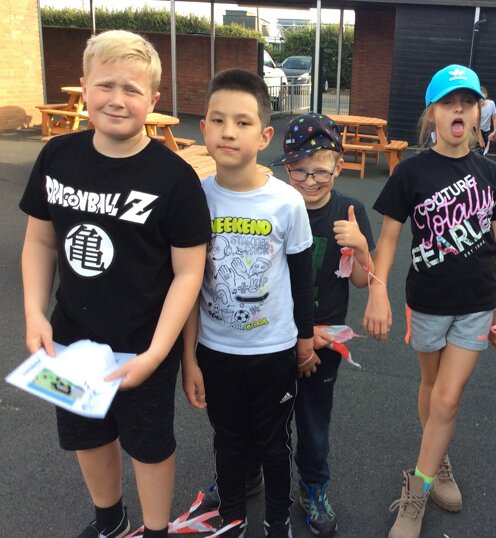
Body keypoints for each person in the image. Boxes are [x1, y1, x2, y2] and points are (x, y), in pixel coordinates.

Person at [19, 30, 210, 538]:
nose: (117, 99)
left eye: (132, 89)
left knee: (149, 445)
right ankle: (110, 520)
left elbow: (189, 273)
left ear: (154, 99)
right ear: (84, 87)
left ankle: (154, 530)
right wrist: (34, 313)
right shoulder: (57, 156)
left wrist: (158, 353)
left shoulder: (175, 179)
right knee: (86, 433)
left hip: (144, 342)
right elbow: (39, 242)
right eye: (105, 85)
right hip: (69, 335)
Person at [364, 64, 496, 538]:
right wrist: (377, 290)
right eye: (449, 102)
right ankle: (439, 458)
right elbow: (389, 239)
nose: (459, 110)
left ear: (478, 113)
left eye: (467, 102)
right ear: (432, 112)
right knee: (432, 386)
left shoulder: (492, 175)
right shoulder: (411, 172)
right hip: (427, 302)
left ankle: (417, 491)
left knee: (448, 398)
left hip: (477, 305)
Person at [181, 68, 315, 538]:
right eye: (218, 120)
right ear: (204, 128)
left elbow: (302, 278)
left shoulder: (286, 202)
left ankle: (277, 520)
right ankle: (233, 520)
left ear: (264, 136)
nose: (228, 132)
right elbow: (187, 286)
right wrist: (189, 358)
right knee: (229, 441)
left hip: (273, 351)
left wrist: (304, 340)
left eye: (242, 122)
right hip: (216, 351)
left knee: (274, 444)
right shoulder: (195, 199)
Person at [269, 112, 376, 536]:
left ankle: (314, 486)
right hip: (277, 335)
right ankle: (247, 471)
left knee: (314, 422)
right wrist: (300, 336)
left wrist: (361, 245)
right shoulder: (276, 207)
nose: (310, 181)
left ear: (339, 166)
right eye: (299, 171)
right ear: (286, 169)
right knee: (264, 415)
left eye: (320, 171)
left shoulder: (351, 210)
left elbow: (363, 281)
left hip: (326, 341)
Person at [475, 85, 496, 152]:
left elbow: (494, 118)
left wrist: (495, 132)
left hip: (486, 131)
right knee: (476, 151)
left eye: (483, 98)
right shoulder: (475, 107)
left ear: (486, 95)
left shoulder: (491, 104)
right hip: (475, 131)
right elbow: (476, 124)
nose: (481, 100)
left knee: (484, 151)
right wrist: (480, 139)